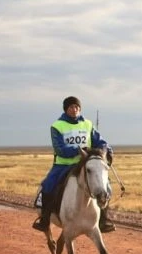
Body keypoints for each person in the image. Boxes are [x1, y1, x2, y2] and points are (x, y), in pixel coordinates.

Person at [32, 96, 115, 233]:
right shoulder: (57, 126)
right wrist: (78, 150)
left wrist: (108, 149)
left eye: (77, 107)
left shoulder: (87, 124)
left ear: (80, 109)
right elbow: (59, 149)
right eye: (71, 107)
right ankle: (45, 219)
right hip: (63, 165)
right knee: (48, 185)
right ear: (66, 109)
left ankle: (103, 220)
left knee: (105, 185)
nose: (74, 109)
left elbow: (98, 141)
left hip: (85, 164)